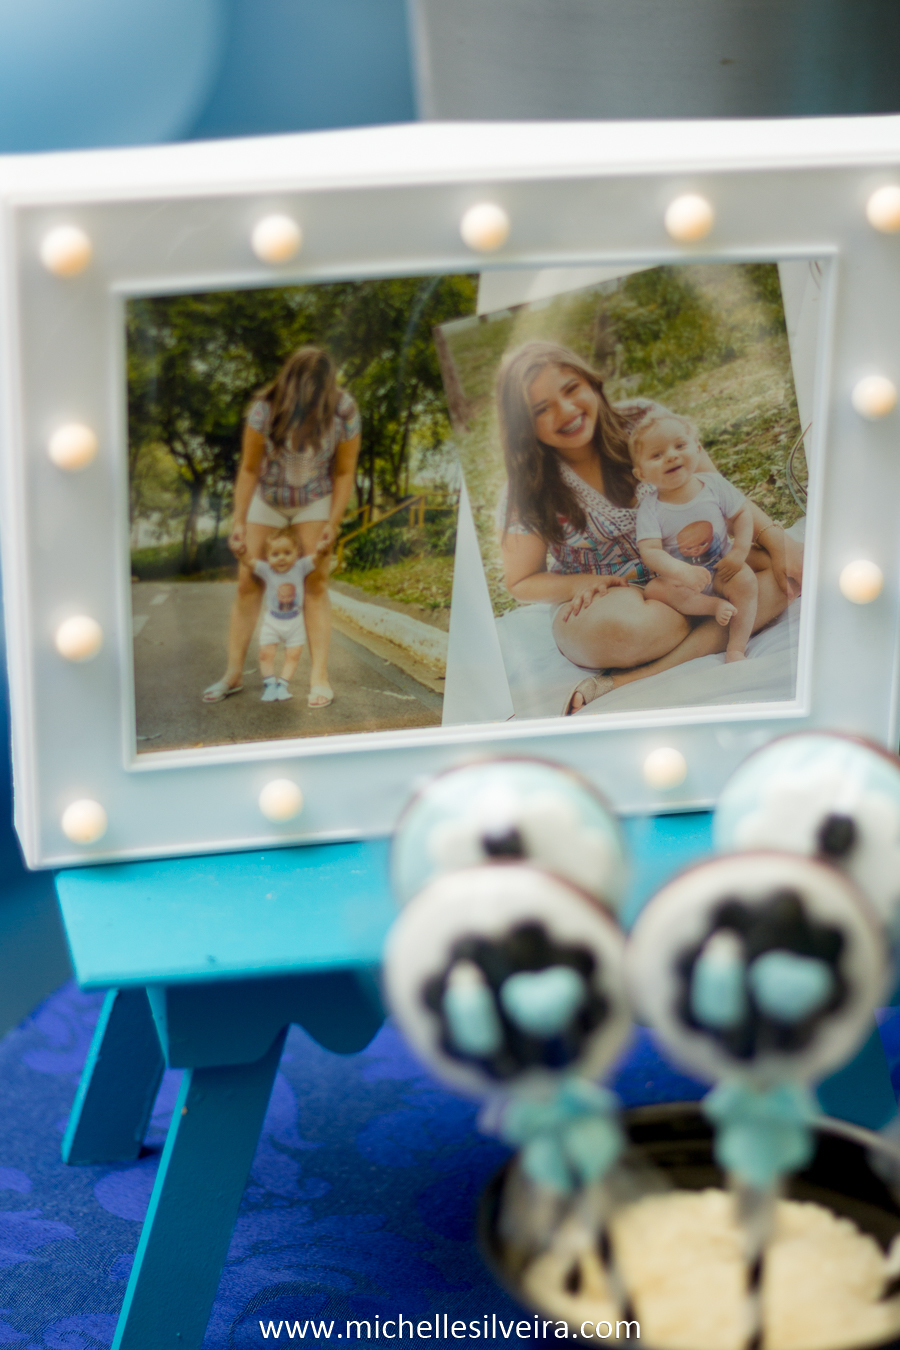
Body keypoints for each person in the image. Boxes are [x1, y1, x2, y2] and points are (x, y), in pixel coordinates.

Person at [494, 341, 803, 714]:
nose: (567, 411)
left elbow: (719, 492)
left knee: (781, 577)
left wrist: (778, 543)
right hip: (613, 595)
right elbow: (520, 582)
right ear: (524, 426)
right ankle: (696, 623)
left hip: (699, 563)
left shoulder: (644, 421)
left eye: (571, 389)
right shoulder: (526, 488)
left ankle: (630, 678)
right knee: (629, 630)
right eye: (541, 409)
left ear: (591, 383)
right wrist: (584, 584)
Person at [202, 346, 361, 709]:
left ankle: (319, 677)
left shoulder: (344, 410)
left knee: (316, 582)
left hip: (315, 498)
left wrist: (332, 524)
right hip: (269, 497)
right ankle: (233, 674)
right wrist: (239, 521)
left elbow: (344, 471)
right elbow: (248, 468)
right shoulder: (264, 408)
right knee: (247, 581)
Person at [631, 410, 758, 663]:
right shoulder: (649, 508)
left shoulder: (712, 484)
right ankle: (712, 607)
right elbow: (651, 551)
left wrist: (739, 552)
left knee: (746, 581)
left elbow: (742, 513)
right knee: (655, 589)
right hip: (683, 583)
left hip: (722, 569)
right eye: (657, 455)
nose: (671, 456)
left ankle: (736, 647)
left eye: (680, 445)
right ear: (642, 474)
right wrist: (681, 572)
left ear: (697, 450)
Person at [250, 529, 328, 701]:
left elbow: (316, 559)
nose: (281, 558)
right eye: (275, 554)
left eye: (287, 553)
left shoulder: (300, 567)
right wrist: (241, 553)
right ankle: (270, 685)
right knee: (265, 654)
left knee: (293, 655)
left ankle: (283, 686)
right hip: (272, 622)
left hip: (295, 623)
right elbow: (249, 562)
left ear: (297, 553)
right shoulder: (267, 570)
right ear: (268, 557)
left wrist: (322, 551)